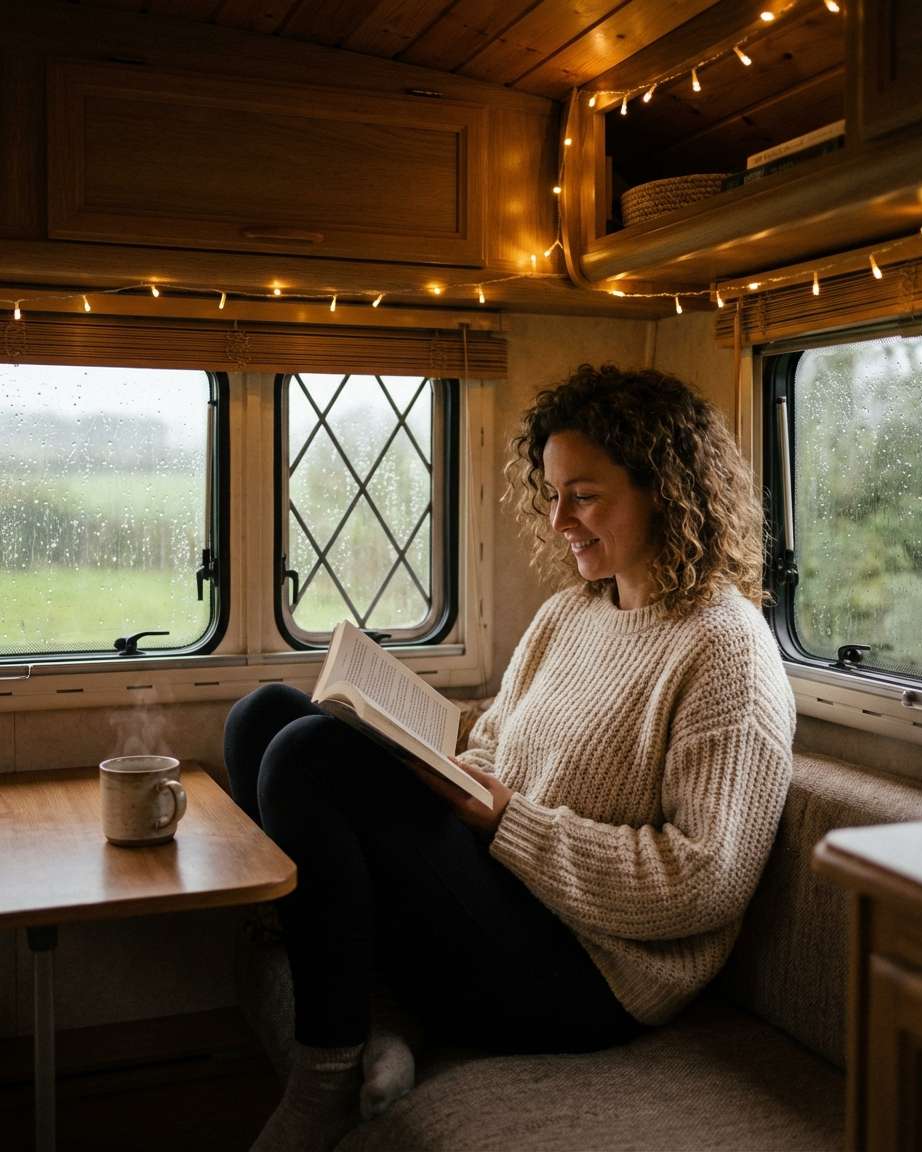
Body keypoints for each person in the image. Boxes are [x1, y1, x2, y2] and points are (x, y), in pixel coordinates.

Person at [224, 364, 795, 1152]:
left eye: (583, 496)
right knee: (265, 716)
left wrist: (508, 822)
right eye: (552, 494)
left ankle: (325, 1080)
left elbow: (703, 881)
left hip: (588, 974)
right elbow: (498, 738)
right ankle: (380, 1019)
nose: (559, 520)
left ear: (665, 491)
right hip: (500, 895)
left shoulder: (726, 649)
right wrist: (437, 757)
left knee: (309, 755)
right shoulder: (570, 613)